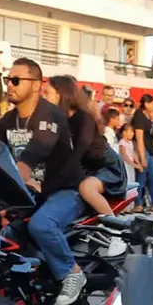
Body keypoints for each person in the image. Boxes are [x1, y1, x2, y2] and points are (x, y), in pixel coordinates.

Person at [0, 58, 87, 305]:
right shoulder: (8, 121)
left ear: (36, 85)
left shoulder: (49, 115)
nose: (9, 85)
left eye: (16, 80)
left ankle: (72, 273)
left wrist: (17, 180)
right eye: (7, 80)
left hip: (63, 191)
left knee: (41, 226)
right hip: (28, 195)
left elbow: (34, 152)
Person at [42, 76, 127, 256]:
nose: (44, 97)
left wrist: (54, 182)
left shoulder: (84, 118)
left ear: (62, 95)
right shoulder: (58, 119)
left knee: (86, 188)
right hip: (87, 168)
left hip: (106, 166)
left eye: (47, 93)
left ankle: (117, 234)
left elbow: (78, 151)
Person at [131, 93, 153, 213]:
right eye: (152, 103)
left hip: (149, 150)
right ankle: (138, 203)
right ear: (146, 104)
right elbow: (139, 137)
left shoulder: (147, 116)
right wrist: (142, 156)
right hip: (142, 150)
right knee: (142, 179)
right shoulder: (139, 116)